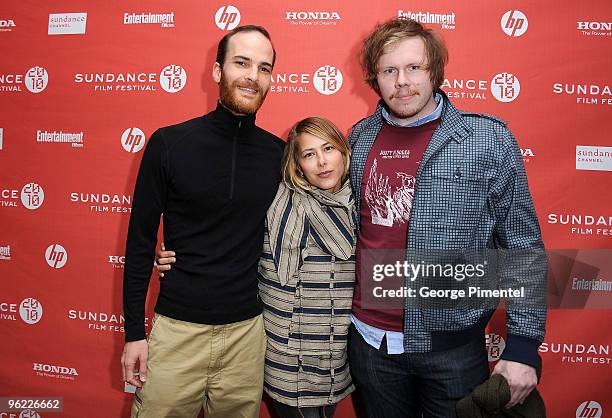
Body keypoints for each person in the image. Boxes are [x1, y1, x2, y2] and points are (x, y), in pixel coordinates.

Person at [347, 18, 547, 418]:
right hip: (370, 344)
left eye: (414, 68)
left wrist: (524, 345)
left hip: (453, 350)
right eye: (389, 70)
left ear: (435, 71)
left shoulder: (487, 139)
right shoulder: (358, 138)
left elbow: (522, 245)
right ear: (375, 78)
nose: (402, 82)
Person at [121, 25, 285, 418]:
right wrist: (134, 336)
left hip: (247, 336)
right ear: (216, 71)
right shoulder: (168, 143)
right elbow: (140, 242)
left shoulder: (280, 155)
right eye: (241, 63)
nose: (252, 75)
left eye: (263, 68)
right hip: (177, 332)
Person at [156, 117, 356, 418]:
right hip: (289, 355)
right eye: (309, 154)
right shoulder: (279, 201)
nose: (322, 162)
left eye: (328, 148)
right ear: (298, 164)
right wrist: (179, 255)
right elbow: (229, 229)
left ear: (343, 151)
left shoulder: (365, 202)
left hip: (336, 352)